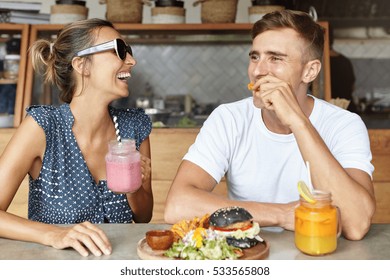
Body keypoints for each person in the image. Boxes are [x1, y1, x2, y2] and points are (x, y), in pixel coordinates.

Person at [164, 10, 375, 241]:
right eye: (255, 57)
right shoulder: (229, 118)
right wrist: (282, 214)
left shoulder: (344, 125)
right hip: (247, 256)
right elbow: (177, 205)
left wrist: (298, 122)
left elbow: (356, 225)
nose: (257, 71)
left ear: (310, 71)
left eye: (275, 58)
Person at [0, 18, 153, 256]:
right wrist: (54, 234)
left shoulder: (134, 127)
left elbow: (143, 217)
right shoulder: (43, 127)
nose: (131, 61)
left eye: (129, 52)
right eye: (119, 51)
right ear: (82, 65)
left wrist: (134, 188)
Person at [328, 25, 357, 112]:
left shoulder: (320, 64)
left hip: (333, 111)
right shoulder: (345, 61)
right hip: (349, 110)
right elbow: (353, 87)